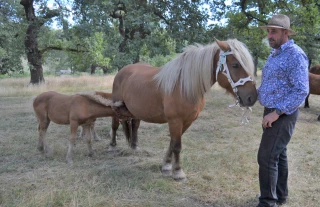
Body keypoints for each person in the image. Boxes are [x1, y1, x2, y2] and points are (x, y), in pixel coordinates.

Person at [256, 14, 309, 207]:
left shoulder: (295, 54)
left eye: (274, 32)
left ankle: (268, 202)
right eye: (268, 31)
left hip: (282, 114)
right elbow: (269, 84)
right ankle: (280, 195)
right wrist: (252, 95)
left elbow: (302, 90)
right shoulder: (275, 54)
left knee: (267, 156)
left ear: (285, 33)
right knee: (278, 154)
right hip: (271, 111)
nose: (269, 35)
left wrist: (276, 112)